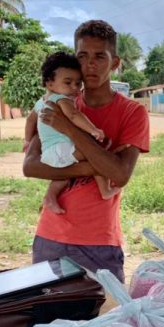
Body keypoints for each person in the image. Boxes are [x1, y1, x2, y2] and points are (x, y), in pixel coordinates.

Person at [23, 20, 150, 281]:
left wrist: (70, 130)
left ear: (115, 63)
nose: (90, 64)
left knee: (105, 308)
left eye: (100, 57)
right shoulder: (57, 102)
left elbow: (120, 174)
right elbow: (31, 166)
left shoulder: (132, 112)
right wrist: (96, 165)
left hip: (99, 242)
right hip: (50, 236)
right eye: (82, 56)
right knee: (49, 308)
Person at [24, 51, 118, 214]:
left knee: (65, 173)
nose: (74, 87)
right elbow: (74, 115)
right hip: (62, 149)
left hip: (49, 153)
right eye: (68, 83)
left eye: (78, 83)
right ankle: (106, 190)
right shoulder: (61, 99)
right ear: (50, 84)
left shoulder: (40, 102)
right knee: (95, 155)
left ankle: (50, 196)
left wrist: (27, 141)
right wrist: (93, 130)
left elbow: (30, 121)